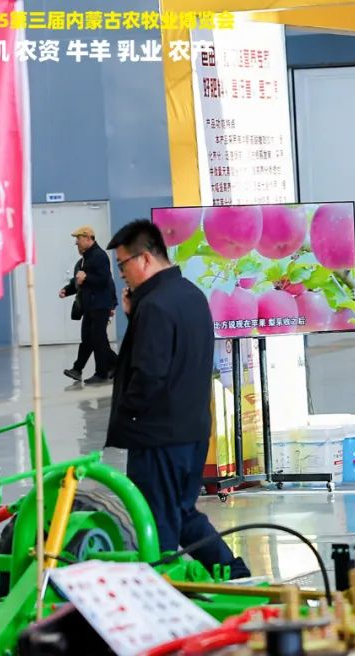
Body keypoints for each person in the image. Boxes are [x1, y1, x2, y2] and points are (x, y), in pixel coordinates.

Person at [105, 220, 249, 579]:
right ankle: (235, 574)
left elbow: (149, 373)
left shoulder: (155, 305)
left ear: (144, 258)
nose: (121, 274)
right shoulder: (190, 294)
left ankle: (162, 590)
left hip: (159, 436)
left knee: (157, 524)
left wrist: (128, 415)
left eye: (122, 264)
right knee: (182, 512)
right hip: (192, 430)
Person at [60, 226, 118, 386]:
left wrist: (86, 277)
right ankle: (115, 365)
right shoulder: (86, 258)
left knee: (98, 339)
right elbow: (80, 281)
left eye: (78, 239)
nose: (76, 243)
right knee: (90, 339)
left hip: (100, 304)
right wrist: (68, 290)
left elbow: (104, 280)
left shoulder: (99, 256)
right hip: (90, 306)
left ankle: (101, 373)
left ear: (88, 238)